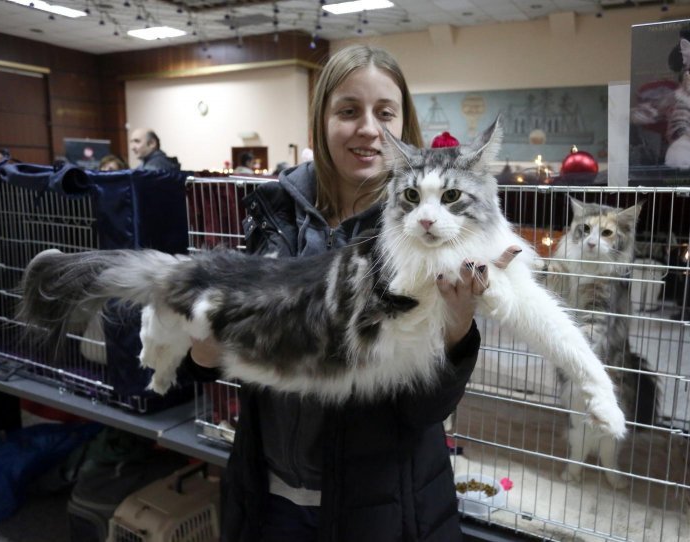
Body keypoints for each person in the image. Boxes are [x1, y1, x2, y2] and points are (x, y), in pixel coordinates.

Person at [184, 45, 518, 541]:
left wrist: (456, 328)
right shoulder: (272, 214)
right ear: (321, 120)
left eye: (385, 113)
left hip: (380, 508)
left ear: (405, 127)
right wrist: (206, 344)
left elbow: (424, 410)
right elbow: (211, 359)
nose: (368, 129)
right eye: (348, 111)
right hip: (267, 496)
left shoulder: (424, 235)